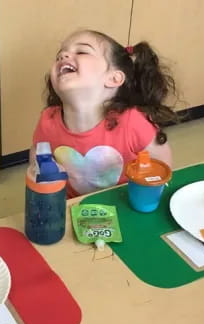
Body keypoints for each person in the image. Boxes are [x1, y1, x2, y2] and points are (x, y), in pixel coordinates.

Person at [30, 29, 177, 198]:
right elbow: (37, 158)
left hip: (125, 207)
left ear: (114, 79)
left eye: (82, 51)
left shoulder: (133, 122)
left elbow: (162, 169)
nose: (63, 56)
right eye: (59, 55)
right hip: (73, 209)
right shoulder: (48, 122)